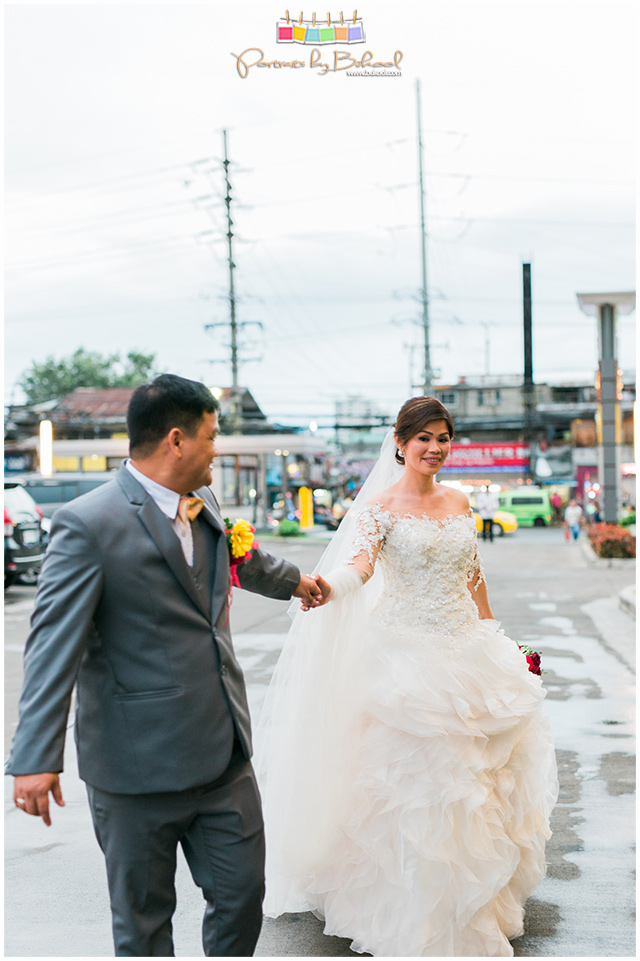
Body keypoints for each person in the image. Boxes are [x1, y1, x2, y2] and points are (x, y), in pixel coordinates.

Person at [5, 374, 331, 958]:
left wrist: (298, 583)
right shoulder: (88, 524)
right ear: (177, 440)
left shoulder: (202, 504)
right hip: (134, 767)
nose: (217, 449)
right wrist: (34, 757)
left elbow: (243, 557)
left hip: (221, 752)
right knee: (144, 925)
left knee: (241, 896)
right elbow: (53, 644)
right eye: (211, 436)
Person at [256, 396, 558, 958]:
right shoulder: (379, 508)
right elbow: (361, 567)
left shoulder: (461, 501)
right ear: (400, 442)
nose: (435, 449)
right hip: (403, 658)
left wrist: (497, 638)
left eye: (444, 438)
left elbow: (473, 575)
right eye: (424, 438)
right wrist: (328, 588)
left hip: (465, 649)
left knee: (478, 785)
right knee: (414, 789)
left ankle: (475, 902)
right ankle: (415, 910)